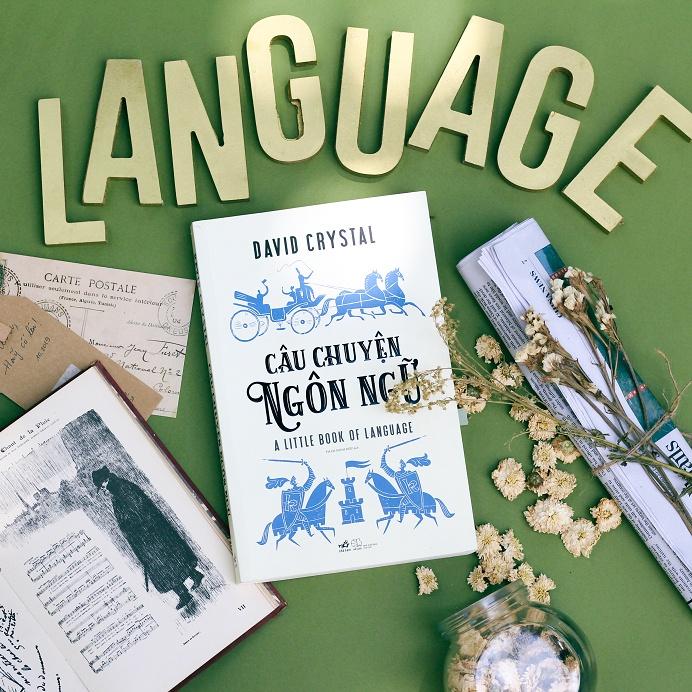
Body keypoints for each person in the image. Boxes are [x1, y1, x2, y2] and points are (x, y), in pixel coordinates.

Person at [92, 466, 203, 610]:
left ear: (106, 480)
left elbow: (138, 510)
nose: (103, 490)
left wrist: (133, 528)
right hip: (146, 536)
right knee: (166, 562)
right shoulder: (118, 490)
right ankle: (190, 584)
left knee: (163, 564)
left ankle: (185, 592)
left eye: (102, 486)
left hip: (149, 534)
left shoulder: (123, 488)